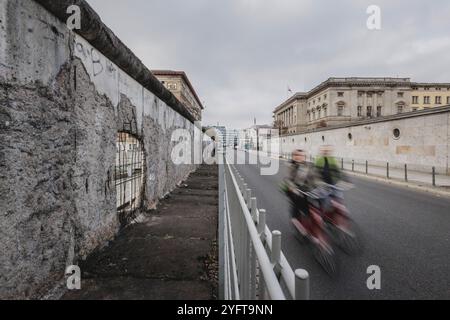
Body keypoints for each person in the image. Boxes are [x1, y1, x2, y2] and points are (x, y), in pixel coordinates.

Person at [285, 149, 316, 219]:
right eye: (296, 155)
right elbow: (288, 179)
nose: (299, 157)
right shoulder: (291, 166)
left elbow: (313, 177)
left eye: (301, 155)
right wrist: (293, 188)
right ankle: (296, 216)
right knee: (299, 200)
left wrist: (318, 185)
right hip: (294, 189)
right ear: (293, 156)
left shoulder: (308, 165)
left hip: (306, 188)